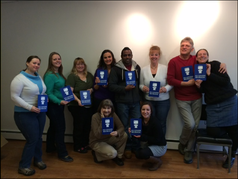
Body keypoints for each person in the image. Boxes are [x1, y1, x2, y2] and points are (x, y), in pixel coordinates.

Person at [167, 37, 227, 164]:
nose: (184, 47)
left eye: (187, 46)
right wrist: (186, 83)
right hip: (181, 98)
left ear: (192, 49)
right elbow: (170, 80)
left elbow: (210, 63)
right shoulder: (173, 61)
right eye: (182, 45)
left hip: (197, 98)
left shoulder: (196, 59)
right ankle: (182, 142)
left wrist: (222, 64)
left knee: (195, 127)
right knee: (190, 124)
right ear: (180, 47)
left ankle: (189, 150)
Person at [194, 49, 238, 169]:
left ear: (208, 56)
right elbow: (204, 90)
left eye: (204, 54)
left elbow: (225, 81)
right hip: (213, 105)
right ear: (197, 58)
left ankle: (232, 155)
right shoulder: (197, 70)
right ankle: (226, 130)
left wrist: (210, 74)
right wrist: (198, 86)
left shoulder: (216, 65)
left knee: (234, 129)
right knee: (213, 131)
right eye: (200, 55)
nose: (202, 56)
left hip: (228, 101)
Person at [10, 56, 47, 176]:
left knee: (39, 137)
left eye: (38, 63)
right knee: (32, 139)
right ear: (27, 63)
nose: (36, 65)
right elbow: (14, 97)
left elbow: (41, 92)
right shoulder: (19, 79)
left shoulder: (38, 76)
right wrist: (30, 107)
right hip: (24, 113)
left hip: (39, 112)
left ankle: (38, 159)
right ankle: (24, 166)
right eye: (34, 63)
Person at [108, 47, 142, 159]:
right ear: (121, 57)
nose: (127, 57)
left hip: (136, 102)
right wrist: (124, 88)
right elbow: (111, 86)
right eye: (125, 55)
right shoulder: (116, 69)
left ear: (132, 56)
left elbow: (140, 84)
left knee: (136, 126)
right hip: (122, 102)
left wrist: (140, 99)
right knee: (124, 126)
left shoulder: (137, 68)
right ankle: (127, 147)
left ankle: (136, 147)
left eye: (129, 55)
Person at [43, 52, 73, 162]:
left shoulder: (59, 74)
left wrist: (69, 93)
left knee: (53, 127)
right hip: (53, 106)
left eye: (59, 59)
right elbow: (49, 93)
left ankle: (50, 147)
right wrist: (59, 101)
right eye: (54, 59)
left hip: (59, 105)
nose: (57, 61)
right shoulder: (50, 75)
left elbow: (60, 90)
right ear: (50, 61)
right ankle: (63, 154)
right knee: (60, 128)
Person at [140, 45, 173, 136]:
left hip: (163, 101)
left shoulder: (165, 68)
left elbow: (171, 83)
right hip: (148, 101)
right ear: (149, 56)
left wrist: (165, 88)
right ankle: (150, 144)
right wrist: (143, 88)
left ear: (159, 56)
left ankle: (161, 145)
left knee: (161, 123)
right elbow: (140, 84)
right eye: (152, 54)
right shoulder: (143, 69)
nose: (154, 56)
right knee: (149, 123)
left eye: (156, 54)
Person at [66, 57, 94, 153]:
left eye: (82, 64)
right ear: (75, 66)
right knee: (79, 125)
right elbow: (69, 92)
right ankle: (78, 146)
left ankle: (85, 144)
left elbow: (94, 86)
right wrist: (78, 101)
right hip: (76, 105)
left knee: (87, 125)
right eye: (78, 64)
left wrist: (91, 90)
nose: (80, 66)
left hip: (88, 105)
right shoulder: (72, 76)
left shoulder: (89, 75)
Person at [129, 101, 167, 171]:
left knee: (142, 153)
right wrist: (133, 132)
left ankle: (158, 161)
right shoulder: (140, 120)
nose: (145, 112)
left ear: (151, 111)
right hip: (149, 143)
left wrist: (141, 137)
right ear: (140, 110)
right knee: (137, 153)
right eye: (143, 109)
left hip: (160, 146)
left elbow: (157, 140)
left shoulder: (155, 122)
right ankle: (152, 156)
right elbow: (138, 136)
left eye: (147, 110)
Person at [89, 99, 127, 166]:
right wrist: (103, 121)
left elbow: (121, 127)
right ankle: (97, 156)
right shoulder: (95, 117)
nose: (106, 110)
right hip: (97, 141)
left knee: (124, 135)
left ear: (111, 109)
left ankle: (118, 157)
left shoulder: (113, 115)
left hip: (108, 138)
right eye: (104, 108)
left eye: (108, 108)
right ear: (100, 108)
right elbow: (97, 135)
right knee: (113, 153)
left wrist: (117, 132)